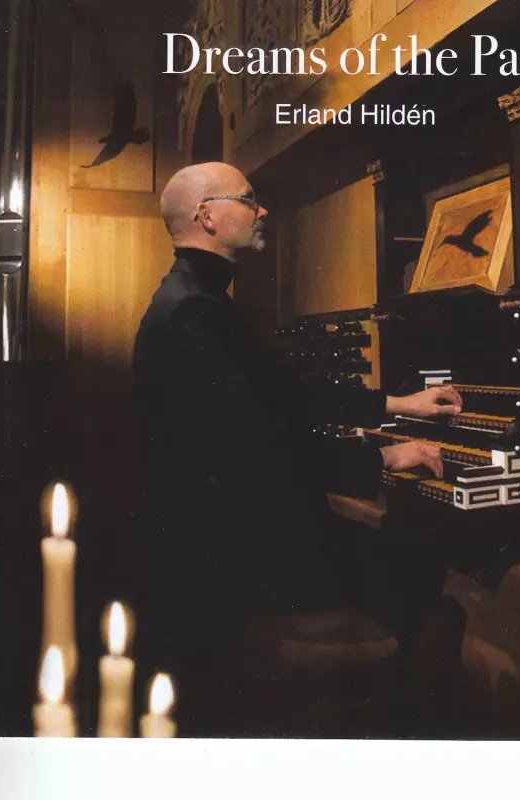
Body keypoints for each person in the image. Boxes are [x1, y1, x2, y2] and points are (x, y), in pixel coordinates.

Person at [130, 162, 463, 734]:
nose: (262, 211)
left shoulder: (196, 299)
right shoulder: (192, 312)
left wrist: (400, 404)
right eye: (249, 199)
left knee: (406, 566)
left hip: (235, 543)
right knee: (429, 592)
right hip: (238, 567)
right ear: (207, 216)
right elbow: (260, 453)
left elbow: (283, 394)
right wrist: (384, 457)